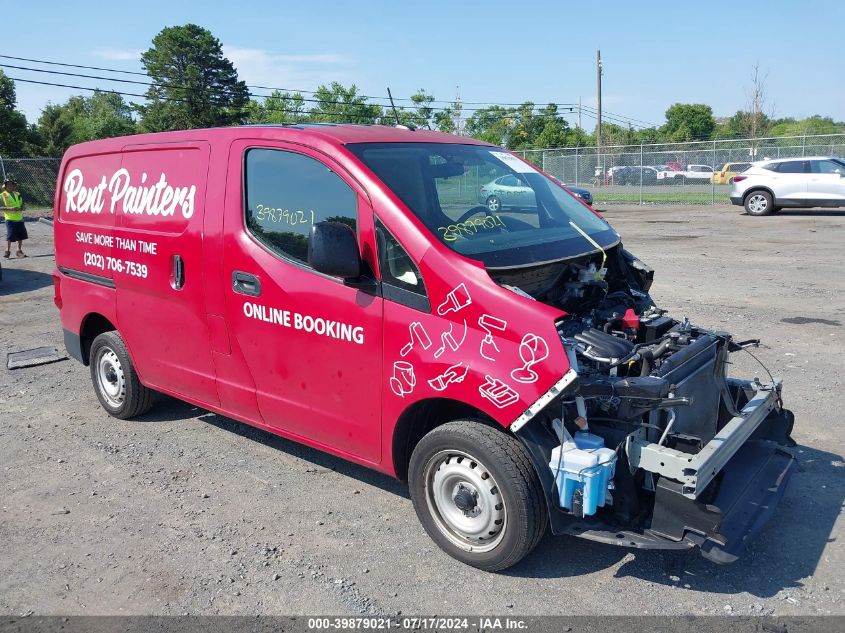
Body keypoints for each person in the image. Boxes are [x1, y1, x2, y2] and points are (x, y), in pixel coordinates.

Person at [2, 178, 27, 258]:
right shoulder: (2, 195)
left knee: (20, 236)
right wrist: (10, 208)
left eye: (11, 184)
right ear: (5, 186)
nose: (10, 186)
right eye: (8, 184)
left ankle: (18, 251)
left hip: (19, 218)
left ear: (13, 186)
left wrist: (23, 207)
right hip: (10, 218)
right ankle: (7, 251)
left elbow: (22, 204)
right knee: (10, 235)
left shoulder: (17, 194)